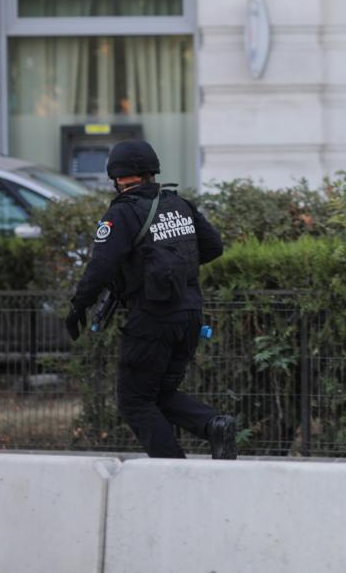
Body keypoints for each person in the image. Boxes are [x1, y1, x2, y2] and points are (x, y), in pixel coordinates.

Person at [65, 140, 237, 460]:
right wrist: (172, 266)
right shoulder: (179, 204)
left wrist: (79, 305)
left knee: (134, 401)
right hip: (190, 316)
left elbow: (101, 266)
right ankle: (213, 425)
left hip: (152, 320)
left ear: (117, 177)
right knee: (159, 394)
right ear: (151, 172)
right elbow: (213, 247)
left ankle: (173, 470)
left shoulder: (122, 213)